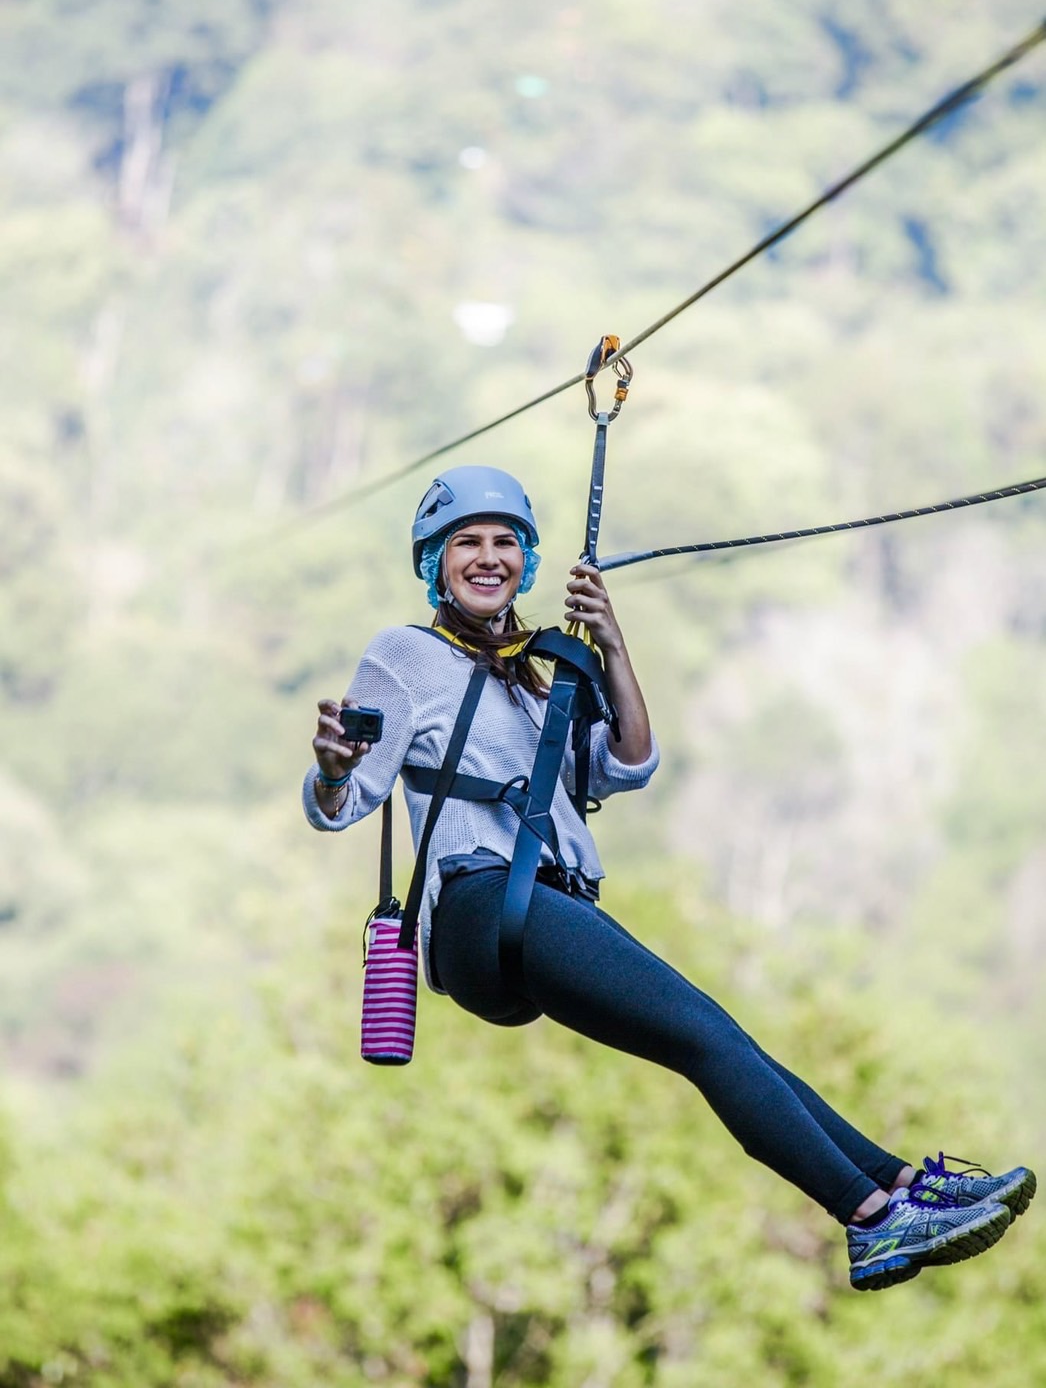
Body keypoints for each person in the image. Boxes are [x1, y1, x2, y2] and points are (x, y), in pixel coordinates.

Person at [303, 465, 1035, 1292]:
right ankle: (869, 1220)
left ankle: (902, 1188)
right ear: (435, 563)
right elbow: (341, 805)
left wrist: (609, 645)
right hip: (479, 900)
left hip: (537, 900)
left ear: (527, 562)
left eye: (505, 541)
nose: (487, 556)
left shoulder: (536, 674)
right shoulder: (405, 656)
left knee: (718, 1040)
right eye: (465, 543)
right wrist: (334, 766)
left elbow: (626, 762)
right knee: (706, 1034)